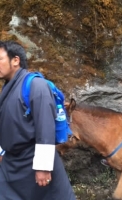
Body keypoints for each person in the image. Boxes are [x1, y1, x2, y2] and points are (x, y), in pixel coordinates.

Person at [0, 41, 76, 200]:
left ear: (15, 60)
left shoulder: (36, 85)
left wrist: (43, 167)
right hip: (12, 164)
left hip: (33, 161)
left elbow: (45, 128)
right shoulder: (7, 89)